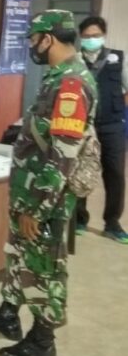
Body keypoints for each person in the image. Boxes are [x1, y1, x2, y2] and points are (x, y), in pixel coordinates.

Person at [0, 10, 97, 356]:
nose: (32, 46)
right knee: (18, 254)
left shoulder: (71, 84)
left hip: (45, 196)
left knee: (46, 267)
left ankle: (43, 339)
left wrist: (37, 207)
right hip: (30, 188)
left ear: (49, 39)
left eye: (34, 39)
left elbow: (64, 154)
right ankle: (9, 313)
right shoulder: (58, 77)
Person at [76, 16, 128, 244]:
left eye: (95, 35)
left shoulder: (118, 59)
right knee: (80, 169)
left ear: (104, 35)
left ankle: (112, 223)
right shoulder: (74, 60)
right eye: (86, 36)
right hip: (83, 125)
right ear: (80, 37)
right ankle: (79, 219)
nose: (91, 39)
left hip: (112, 125)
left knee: (115, 172)